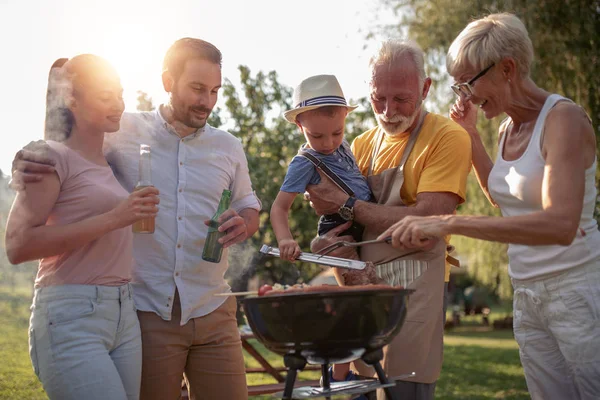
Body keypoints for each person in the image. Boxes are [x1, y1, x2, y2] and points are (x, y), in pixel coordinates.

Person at [10, 38, 260, 400]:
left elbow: (249, 206)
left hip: (213, 306)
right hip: (146, 309)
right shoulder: (121, 129)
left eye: (215, 91)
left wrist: (245, 222)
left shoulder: (228, 146)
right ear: (168, 81)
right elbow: (68, 146)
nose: (207, 101)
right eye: (197, 88)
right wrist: (30, 153)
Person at [378, 13, 600, 400]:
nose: (463, 96)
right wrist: (471, 137)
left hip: (574, 288)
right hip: (527, 293)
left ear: (508, 68)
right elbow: (504, 198)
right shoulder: (505, 129)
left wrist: (447, 223)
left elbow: (559, 225)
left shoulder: (562, 119)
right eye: (458, 85)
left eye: (467, 83)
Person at [306, 39, 472, 400]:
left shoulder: (447, 137)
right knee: (363, 388)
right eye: (378, 98)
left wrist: (345, 203)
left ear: (426, 89)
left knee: (404, 386)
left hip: (416, 288)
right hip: (363, 292)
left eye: (401, 99)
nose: (388, 110)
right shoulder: (359, 146)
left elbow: (429, 219)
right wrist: (324, 209)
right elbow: (337, 217)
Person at [4, 54, 160, 400]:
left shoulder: (109, 160)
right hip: (71, 314)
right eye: (105, 96)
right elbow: (17, 246)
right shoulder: (48, 157)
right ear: (71, 100)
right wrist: (115, 218)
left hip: (123, 313)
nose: (118, 105)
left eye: (120, 94)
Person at [270, 74, 374, 389]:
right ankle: (337, 373)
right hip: (337, 235)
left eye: (337, 133)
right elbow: (278, 208)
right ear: (300, 125)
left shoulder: (343, 148)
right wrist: (285, 239)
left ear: (345, 119)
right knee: (359, 299)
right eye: (317, 136)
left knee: (364, 301)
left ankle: (348, 369)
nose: (328, 143)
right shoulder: (304, 163)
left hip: (362, 227)